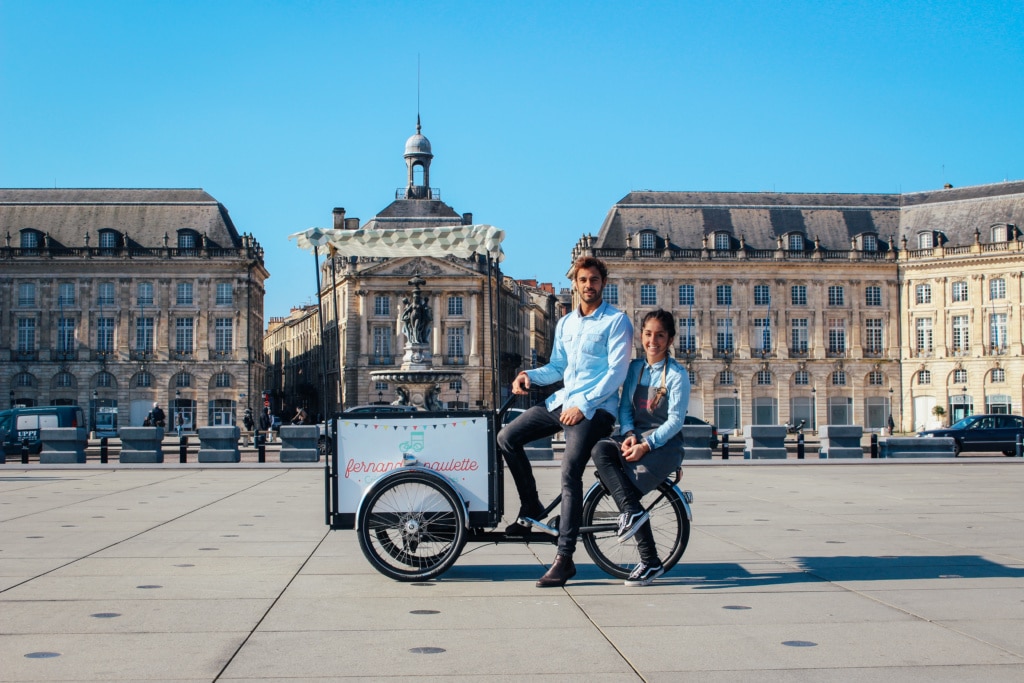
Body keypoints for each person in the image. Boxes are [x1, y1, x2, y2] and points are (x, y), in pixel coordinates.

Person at [497, 256, 633, 588]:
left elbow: (617, 373)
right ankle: (531, 508)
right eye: (584, 280)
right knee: (506, 437)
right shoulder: (566, 323)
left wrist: (584, 405)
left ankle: (564, 558)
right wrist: (529, 375)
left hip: (596, 410)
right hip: (562, 402)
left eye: (595, 280)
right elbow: (558, 367)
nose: (589, 285)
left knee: (569, 472)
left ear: (603, 283)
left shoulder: (617, 322)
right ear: (575, 283)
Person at [591, 309, 689, 587]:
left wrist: (646, 445)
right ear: (641, 336)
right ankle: (643, 543)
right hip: (637, 436)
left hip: (665, 445)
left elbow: (675, 421)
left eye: (660, 335)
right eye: (648, 334)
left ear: (670, 339)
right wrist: (630, 433)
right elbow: (625, 408)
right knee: (601, 450)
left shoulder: (677, 375)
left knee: (628, 494)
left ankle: (649, 559)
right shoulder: (635, 368)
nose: (653, 341)